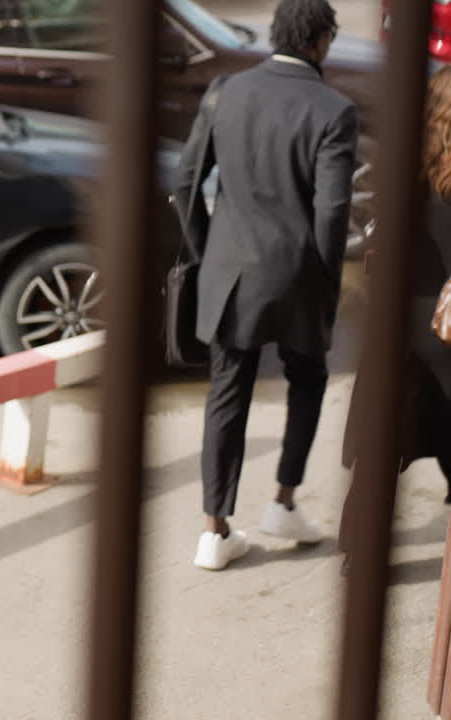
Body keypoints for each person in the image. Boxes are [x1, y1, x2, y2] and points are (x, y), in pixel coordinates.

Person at [173, 0, 358, 570]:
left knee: (227, 394)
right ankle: (283, 500)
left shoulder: (225, 91)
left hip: (230, 274)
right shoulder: (335, 110)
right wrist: (327, 280)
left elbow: (185, 181)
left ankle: (214, 531)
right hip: (300, 275)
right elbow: (332, 212)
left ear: (278, 34)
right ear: (321, 40)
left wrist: (208, 252)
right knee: (309, 379)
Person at [339, 66, 451, 564]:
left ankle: (357, 549)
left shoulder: (404, 167)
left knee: (383, 445)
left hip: (403, 324)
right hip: (447, 326)